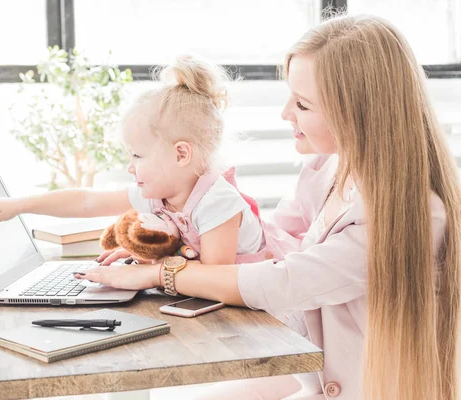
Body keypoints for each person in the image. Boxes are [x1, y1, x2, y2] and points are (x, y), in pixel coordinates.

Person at [72, 14, 461, 400]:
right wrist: (177, 242)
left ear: (358, 113)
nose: (285, 113)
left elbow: (281, 281)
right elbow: (279, 239)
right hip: (310, 367)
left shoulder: (417, 216)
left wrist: (162, 273)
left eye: (303, 105)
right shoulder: (329, 166)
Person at [0, 54, 267, 265]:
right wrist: (18, 206)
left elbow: (216, 278)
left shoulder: (218, 202)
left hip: (255, 318)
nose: (129, 166)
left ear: (181, 154)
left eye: (137, 155)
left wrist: (153, 266)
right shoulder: (160, 194)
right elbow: (87, 201)